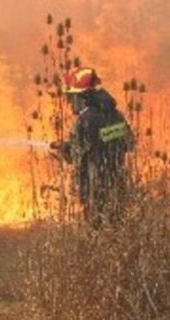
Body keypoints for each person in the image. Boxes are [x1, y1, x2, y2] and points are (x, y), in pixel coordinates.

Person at [50, 66, 135, 225]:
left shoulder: (86, 119)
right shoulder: (115, 114)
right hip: (119, 187)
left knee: (99, 234)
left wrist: (63, 149)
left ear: (82, 97)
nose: (68, 102)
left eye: (71, 97)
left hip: (95, 191)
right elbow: (129, 142)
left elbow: (76, 153)